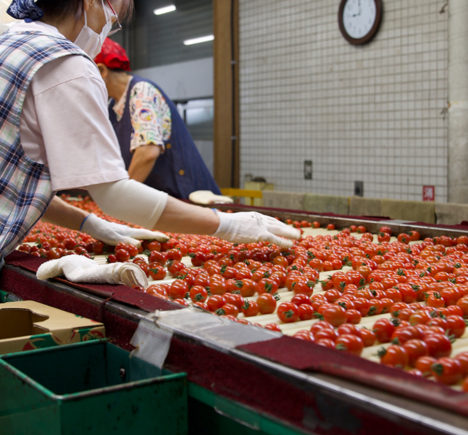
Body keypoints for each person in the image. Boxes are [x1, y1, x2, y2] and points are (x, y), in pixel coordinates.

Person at [0, 0, 299, 278]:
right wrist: (230, 225)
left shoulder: (11, 42)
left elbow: (14, 188)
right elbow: (114, 194)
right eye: (112, 18)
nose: (107, 29)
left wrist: (91, 224)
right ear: (90, 1)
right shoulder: (67, 64)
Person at [95, 38, 221, 200]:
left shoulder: (141, 93)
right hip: (160, 201)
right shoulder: (113, 106)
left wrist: (120, 200)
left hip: (186, 198)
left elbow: (148, 151)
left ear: (101, 71)